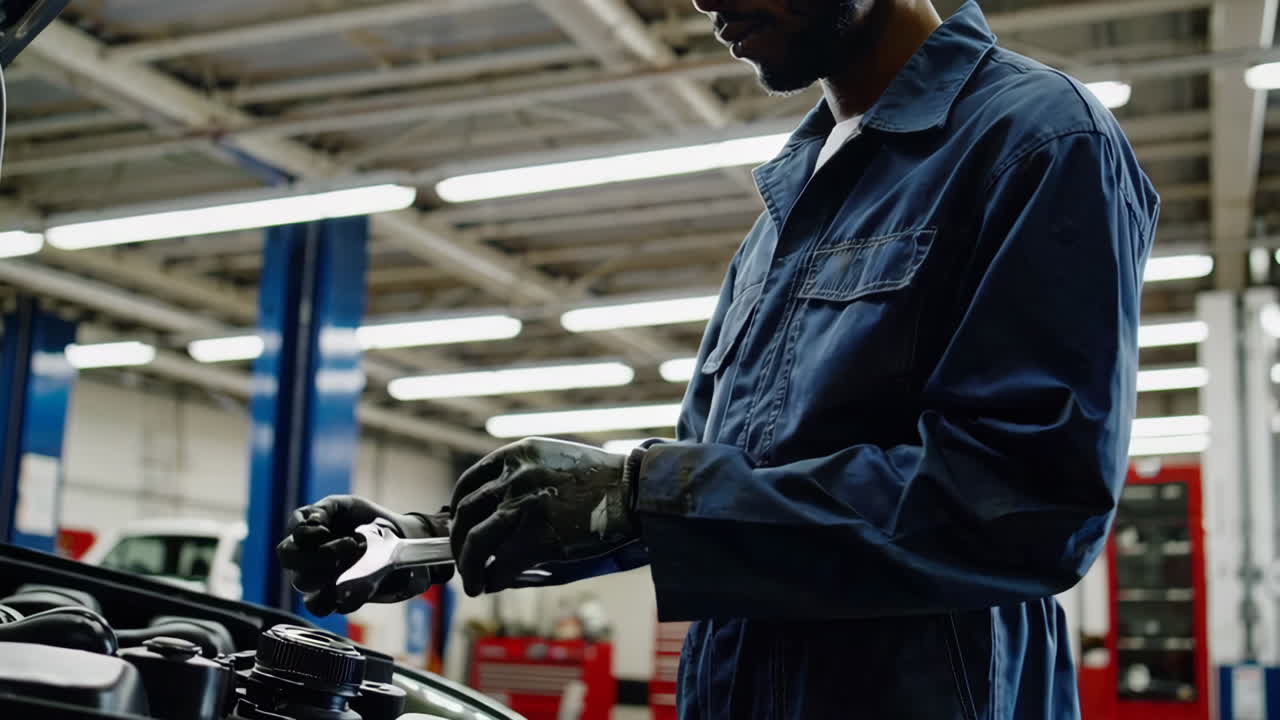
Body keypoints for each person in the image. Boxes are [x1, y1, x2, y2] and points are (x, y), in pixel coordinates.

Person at [278, 0, 1159, 717]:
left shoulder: (1039, 138)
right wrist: (426, 543)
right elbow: (715, 497)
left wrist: (644, 496)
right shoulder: (794, 200)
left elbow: (1029, 502)